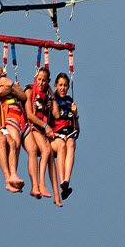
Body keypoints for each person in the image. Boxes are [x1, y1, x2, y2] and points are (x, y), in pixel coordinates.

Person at [23, 66, 61, 206]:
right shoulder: (29, 91)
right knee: (45, 150)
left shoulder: (48, 96)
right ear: (35, 78)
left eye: (44, 81)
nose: (41, 83)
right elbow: (29, 114)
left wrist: (52, 95)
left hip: (42, 130)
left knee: (50, 154)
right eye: (39, 79)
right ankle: (40, 184)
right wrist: (46, 126)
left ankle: (56, 196)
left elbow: (56, 115)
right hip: (32, 128)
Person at [0, 65, 26, 190]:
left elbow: (23, 96)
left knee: (14, 143)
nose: (0, 79)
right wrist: (10, 85)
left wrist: (12, 85)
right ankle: (8, 177)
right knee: (13, 141)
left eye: (2, 76)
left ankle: (12, 176)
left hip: (11, 121)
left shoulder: (9, 87)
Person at [51, 72, 79, 200]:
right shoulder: (51, 99)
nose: (63, 88)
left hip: (68, 134)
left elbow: (76, 129)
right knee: (62, 145)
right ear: (56, 85)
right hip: (55, 136)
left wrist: (75, 114)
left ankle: (66, 181)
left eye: (65, 85)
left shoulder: (70, 101)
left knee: (71, 143)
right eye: (60, 85)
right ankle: (62, 181)